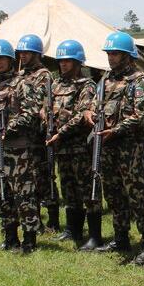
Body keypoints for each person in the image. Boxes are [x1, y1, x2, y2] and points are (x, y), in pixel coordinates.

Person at [89, 31, 144, 264]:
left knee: (138, 195)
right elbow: (94, 105)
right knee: (114, 194)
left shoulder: (139, 81)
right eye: (109, 53)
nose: (111, 57)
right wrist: (89, 114)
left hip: (131, 148)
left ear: (128, 55)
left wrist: (116, 130)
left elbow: (143, 114)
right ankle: (121, 238)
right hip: (108, 148)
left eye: (116, 53)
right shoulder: (105, 80)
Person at [0, 39, 44, 254]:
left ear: (10, 60)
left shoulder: (22, 84)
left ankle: (29, 240)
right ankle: (10, 236)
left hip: (18, 149)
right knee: (0, 193)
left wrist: (8, 127)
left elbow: (31, 113)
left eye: (0, 59)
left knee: (24, 194)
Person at [47, 40, 101, 250]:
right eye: (61, 61)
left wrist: (61, 133)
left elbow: (82, 115)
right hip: (62, 147)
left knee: (88, 190)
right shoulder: (56, 84)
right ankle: (73, 230)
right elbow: (47, 105)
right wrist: (45, 115)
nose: (63, 65)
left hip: (80, 147)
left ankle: (95, 235)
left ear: (78, 62)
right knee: (68, 188)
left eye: (68, 61)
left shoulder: (86, 85)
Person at [15, 34, 61, 236]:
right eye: (21, 52)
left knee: (44, 177)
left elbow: (41, 104)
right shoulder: (19, 75)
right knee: (28, 179)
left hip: (39, 134)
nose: (23, 56)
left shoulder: (43, 75)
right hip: (22, 135)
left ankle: (53, 219)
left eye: (28, 53)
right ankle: (35, 220)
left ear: (36, 54)